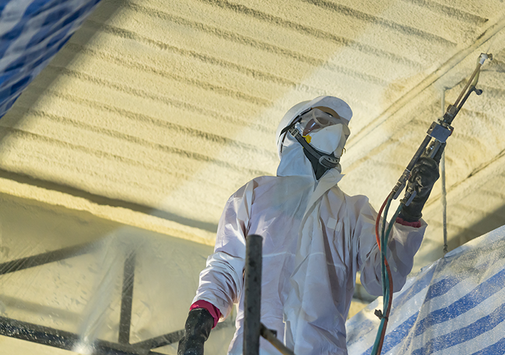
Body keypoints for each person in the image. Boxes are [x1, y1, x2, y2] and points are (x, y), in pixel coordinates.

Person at [178, 96, 440, 355]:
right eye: (322, 121)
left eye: (339, 127)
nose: (333, 129)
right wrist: (197, 325)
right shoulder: (255, 195)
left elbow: (382, 277)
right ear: (291, 133)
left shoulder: (354, 211)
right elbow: (225, 268)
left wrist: (410, 209)